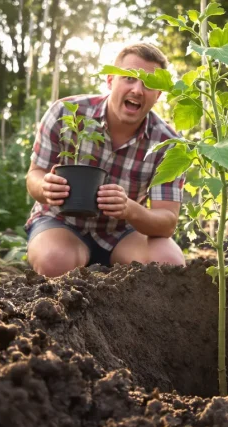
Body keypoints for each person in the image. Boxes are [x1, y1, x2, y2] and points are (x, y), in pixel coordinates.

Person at [25, 43, 186, 277]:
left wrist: (130, 209)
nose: (138, 90)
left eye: (149, 83)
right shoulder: (65, 114)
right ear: (111, 81)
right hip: (60, 222)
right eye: (129, 78)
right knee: (55, 260)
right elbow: (34, 174)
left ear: (158, 95)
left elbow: (167, 222)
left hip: (123, 234)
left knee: (168, 264)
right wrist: (45, 187)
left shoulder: (168, 144)